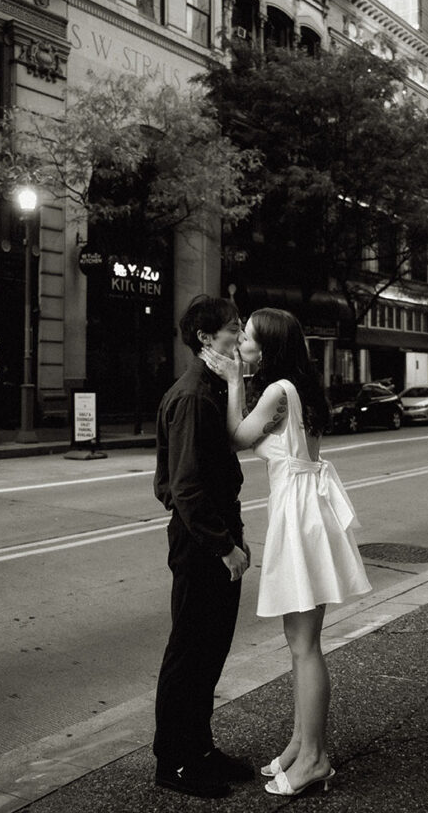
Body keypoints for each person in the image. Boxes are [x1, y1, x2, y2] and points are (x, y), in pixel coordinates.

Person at [201, 307, 371, 798]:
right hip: (306, 515)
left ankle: (315, 759)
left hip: (300, 521)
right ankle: (301, 742)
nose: (241, 343)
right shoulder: (300, 390)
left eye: (248, 337)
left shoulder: (278, 391)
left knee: (304, 646)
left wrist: (234, 381)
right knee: (300, 643)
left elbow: (235, 437)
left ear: (267, 346)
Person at [153, 294, 254, 799]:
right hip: (201, 543)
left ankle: (201, 748)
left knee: (210, 650)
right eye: (234, 327)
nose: (240, 334)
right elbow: (185, 488)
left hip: (214, 533)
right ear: (205, 338)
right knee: (189, 653)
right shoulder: (194, 395)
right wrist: (225, 547)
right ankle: (173, 762)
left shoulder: (212, 388)